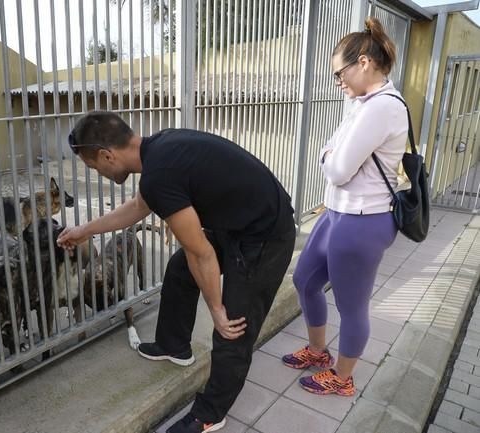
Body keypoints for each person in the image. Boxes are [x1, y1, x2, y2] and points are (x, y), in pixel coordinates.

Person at [57, 111, 295, 433]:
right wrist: (85, 230)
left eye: (93, 166)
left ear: (106, 155)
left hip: (265, 236)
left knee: (232, 327)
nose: (97, 173)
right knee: (180, 268)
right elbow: (139, 207)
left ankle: (210, 412)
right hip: (240, 224)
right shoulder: (158, 150)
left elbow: (202, 253)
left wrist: (216, 309)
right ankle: (174, 345)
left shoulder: (159, 174)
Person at [281, 17, 408, 396]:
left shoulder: (382, 107)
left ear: (364, 62)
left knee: (352, 307)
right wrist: (330, 156)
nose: (339, 83)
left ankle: (342, 377)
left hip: (362, 222)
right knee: (304, 280)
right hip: (336, 214)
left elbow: (336, 169)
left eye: (340, 73)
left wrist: (330, 157)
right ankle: (319, 353)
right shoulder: (362, 103)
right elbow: (331, 153)